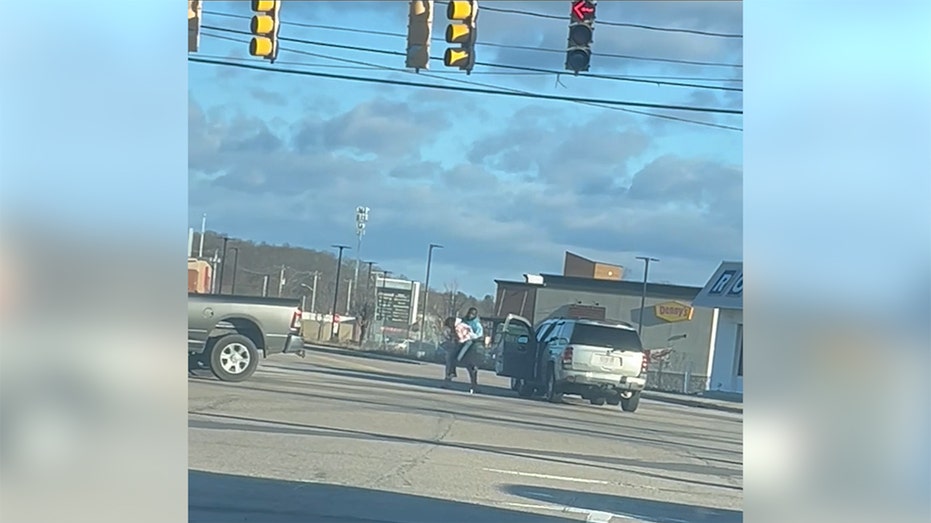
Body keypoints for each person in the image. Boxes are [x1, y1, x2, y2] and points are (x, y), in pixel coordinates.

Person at [441, 315, 481, 393]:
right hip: (472, 343)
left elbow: (460, 339)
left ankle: (451, 374)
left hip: (467, 343)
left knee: (451, 358)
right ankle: (474, 385)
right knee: (471, 367)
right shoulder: (462, 324)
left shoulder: (458, 327)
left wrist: (453, 341)